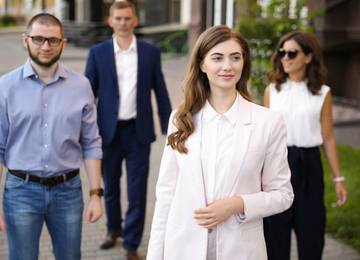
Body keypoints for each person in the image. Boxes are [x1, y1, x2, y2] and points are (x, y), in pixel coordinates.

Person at [146, 25, 294, 260]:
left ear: (244, 62)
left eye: (235, 57)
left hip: (241, 250)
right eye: (217, 58)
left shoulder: (268, 121)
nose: (227, 66)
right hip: (183, 248)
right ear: (202, 64)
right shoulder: (179, 119)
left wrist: (237, 204)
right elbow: (165, 196)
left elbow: (283, 195)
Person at [0, 13, 104, 260]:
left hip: (69, 191)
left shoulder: (81, 86)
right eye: (38, 39)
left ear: (63, 43)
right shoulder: (4, 87)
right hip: (20, 192)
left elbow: (91, 144)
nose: (46, 46)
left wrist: (95, 195)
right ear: (25, 40)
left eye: (53, 40)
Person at [84, 1, 172, 259]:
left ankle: (131, 242)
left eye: (127, 18)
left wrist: (171, 130)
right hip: (107, 132)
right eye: (118, 18)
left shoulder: (150, 52)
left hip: (139, 132)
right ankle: (113, 230)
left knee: (137, 191)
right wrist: (84, 130)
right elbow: (88, 95)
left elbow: (161, 91)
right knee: (110, 187)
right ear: (110, 21)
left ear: (135, 20)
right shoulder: (97, 52)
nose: (123, 22)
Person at [263, 31, 348, 260]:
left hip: (309, 164)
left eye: (292, 52)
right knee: (274, 231)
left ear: (308, 57)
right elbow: (266, 136)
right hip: (278, 164)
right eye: (282, 52)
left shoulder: (323, 93)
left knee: (311, 232)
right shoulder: (272, 91)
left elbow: (328, 137)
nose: (285, 57)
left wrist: (338, 179)